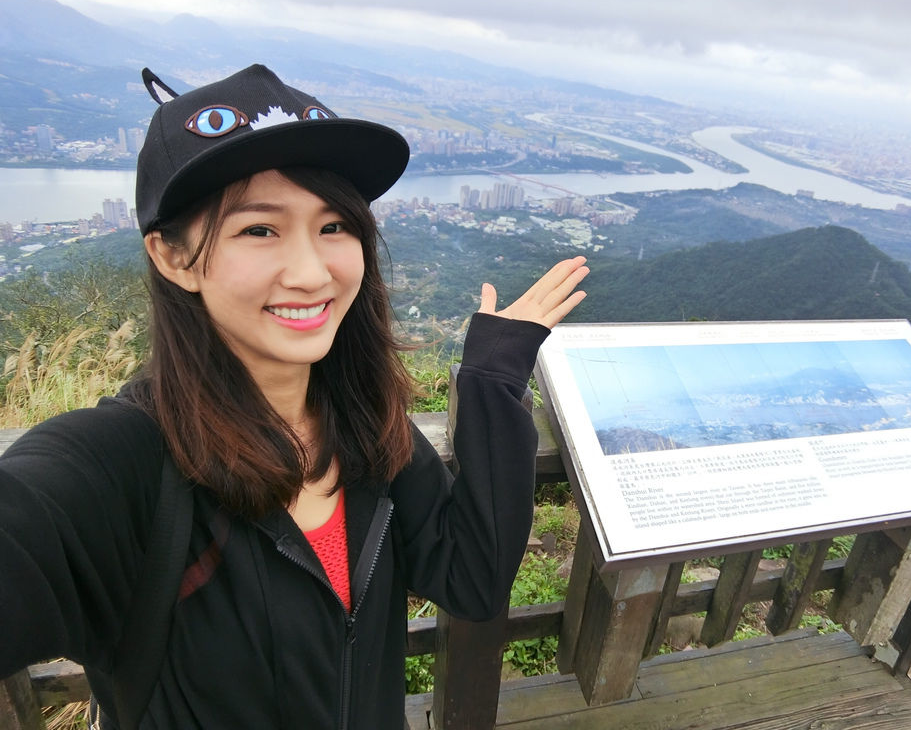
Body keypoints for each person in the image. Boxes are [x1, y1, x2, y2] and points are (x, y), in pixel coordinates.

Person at [0, 64, 588, 729]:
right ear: (173, 256)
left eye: (334, 225)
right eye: (259, 229)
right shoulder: (123, 464)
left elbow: (472, 579)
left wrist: (493, 380)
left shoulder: (363, 427)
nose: (312, 273)